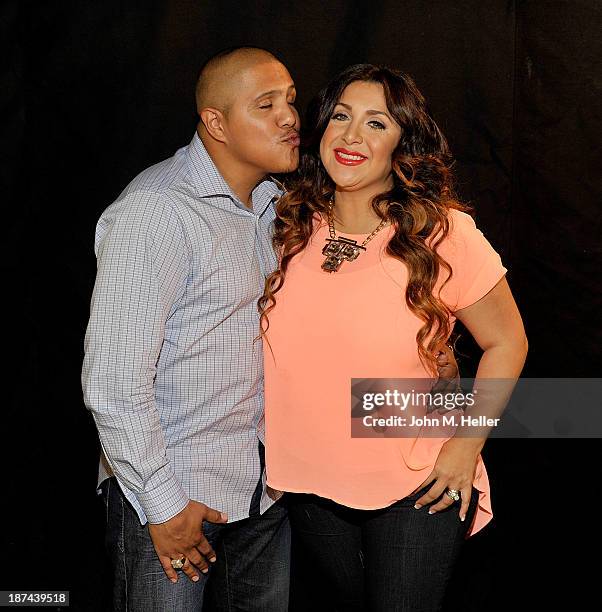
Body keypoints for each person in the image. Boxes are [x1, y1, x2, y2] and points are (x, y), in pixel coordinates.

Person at [259, 64, 528, 611]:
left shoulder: (442, 232)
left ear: (403, 141)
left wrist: (465, 445)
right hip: (308, 480)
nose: (353, 136)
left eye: (376, 123)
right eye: (341, 116)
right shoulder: (286, 223)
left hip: (418, 477)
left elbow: (508, 342)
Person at [81, 46, 300, 612]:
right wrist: (163, 505)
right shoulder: (156, 209)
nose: (290, 118)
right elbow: (112, 379)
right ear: (216, 123)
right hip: (175, 499)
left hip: (263, 496)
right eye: (266, 104)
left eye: (292, 101)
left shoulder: (278, 208)